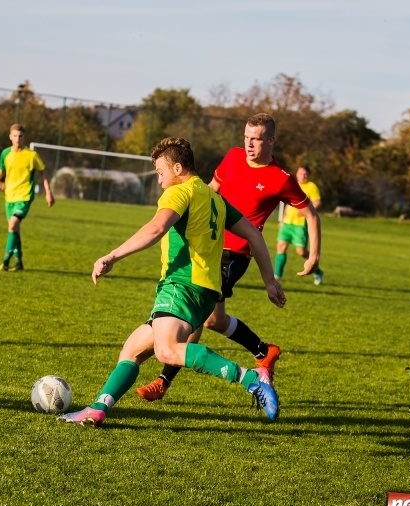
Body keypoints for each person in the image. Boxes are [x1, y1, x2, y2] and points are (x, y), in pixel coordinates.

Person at [58, 137, 285, 427]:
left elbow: (156, 228)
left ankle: (250, 379)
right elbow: (254, 234)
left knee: (167, 350)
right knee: (132, 350)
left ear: (178, 168)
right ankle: (98, 408)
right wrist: (269, 281)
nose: (159, 179)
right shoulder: (214, 198)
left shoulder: (179, 192)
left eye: (160, 171)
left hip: (181, 285)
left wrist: (112, 256)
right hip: (206, 291)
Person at [136, 113, 321, 402]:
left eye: (256, 139)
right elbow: (209, 192)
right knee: (214, 320)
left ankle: (164, 379)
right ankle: (264, 350)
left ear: (271, 140)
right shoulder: (233, 157)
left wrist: (313, 256)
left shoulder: (280, 178)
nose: (249, 144)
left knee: (197, 314)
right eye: (246, 137)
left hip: (235, 254)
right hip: (208, 246)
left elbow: (311, 214)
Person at [0, 124, 54, 271]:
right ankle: (19, 261)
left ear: (24, 137)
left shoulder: (32, 155)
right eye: (15, 136)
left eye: (20, 136)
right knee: (14, 230)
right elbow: (1, 171)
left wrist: (48, 192)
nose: (17, 139)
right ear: (10, 137)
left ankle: (5, 261)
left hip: (24, 196)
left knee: (13, 225)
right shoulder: (5, 153)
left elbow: (43, 173)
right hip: (9, 196)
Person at [274, 165, 324, 285]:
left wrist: (307, 212)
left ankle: (317, 271)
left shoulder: (311, 186)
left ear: (308, 175)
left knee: (301, 251)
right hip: (287, 223)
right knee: (281, 247)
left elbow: (317, 202)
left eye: (305, 174)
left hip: (300, 225)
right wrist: (282, 219)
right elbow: (287, 204)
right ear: (296, 173)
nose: (303, 176)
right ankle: (277, 276)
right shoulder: (293, 184)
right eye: (301, 173)